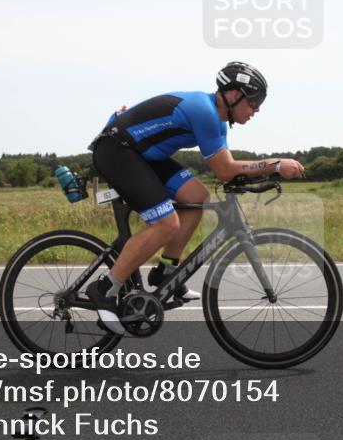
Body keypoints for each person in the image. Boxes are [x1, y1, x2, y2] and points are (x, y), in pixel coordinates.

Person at [86, 61, 306, 333]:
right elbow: (226, 169)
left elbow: (227, 172)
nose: (256, 110)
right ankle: (105, 288)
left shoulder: (219, 124)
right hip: (116, 151)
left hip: (143, 156)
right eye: (253, 102)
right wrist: (273, 164)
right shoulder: (203, 110)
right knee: (166, 222)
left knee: (197, 197)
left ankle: (166, 271)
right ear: (234, 95)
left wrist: (262, 175)